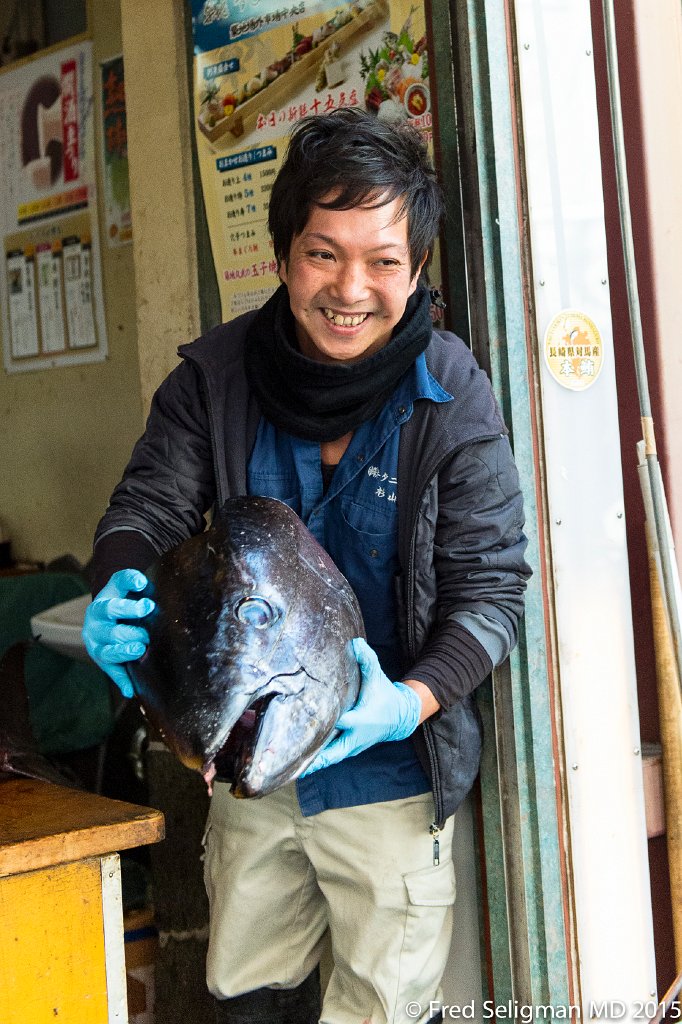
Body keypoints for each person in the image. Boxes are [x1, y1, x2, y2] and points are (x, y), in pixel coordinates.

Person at [83, 108, 530, 1024]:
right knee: (249, 996)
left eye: (383, 261)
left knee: (382, 1008)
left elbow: (492, 587)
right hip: (249, 759)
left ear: (415, 272)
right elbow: (148, 510)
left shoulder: (453, 394)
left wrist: (408, 701)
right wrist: (116, 581)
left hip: (391, 778)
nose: (351, 289)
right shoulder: (213, 378)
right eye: (324, 254)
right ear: (284, 253)